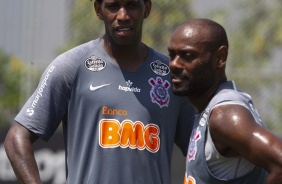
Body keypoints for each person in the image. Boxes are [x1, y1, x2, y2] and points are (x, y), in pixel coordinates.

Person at [4, 0, 195, 184]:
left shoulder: (171, 76)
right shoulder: (71, 66)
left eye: (132, 5)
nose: (123, 15)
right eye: (113, 6)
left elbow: (200, 150)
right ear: (98, 9)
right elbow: (16, 139)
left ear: (147, 8)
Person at [168, 18, 282, 184]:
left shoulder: (225, 115)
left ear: (220, 57)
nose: (174, 64)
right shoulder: (208, 108)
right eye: (172, 55)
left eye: (187, 56)